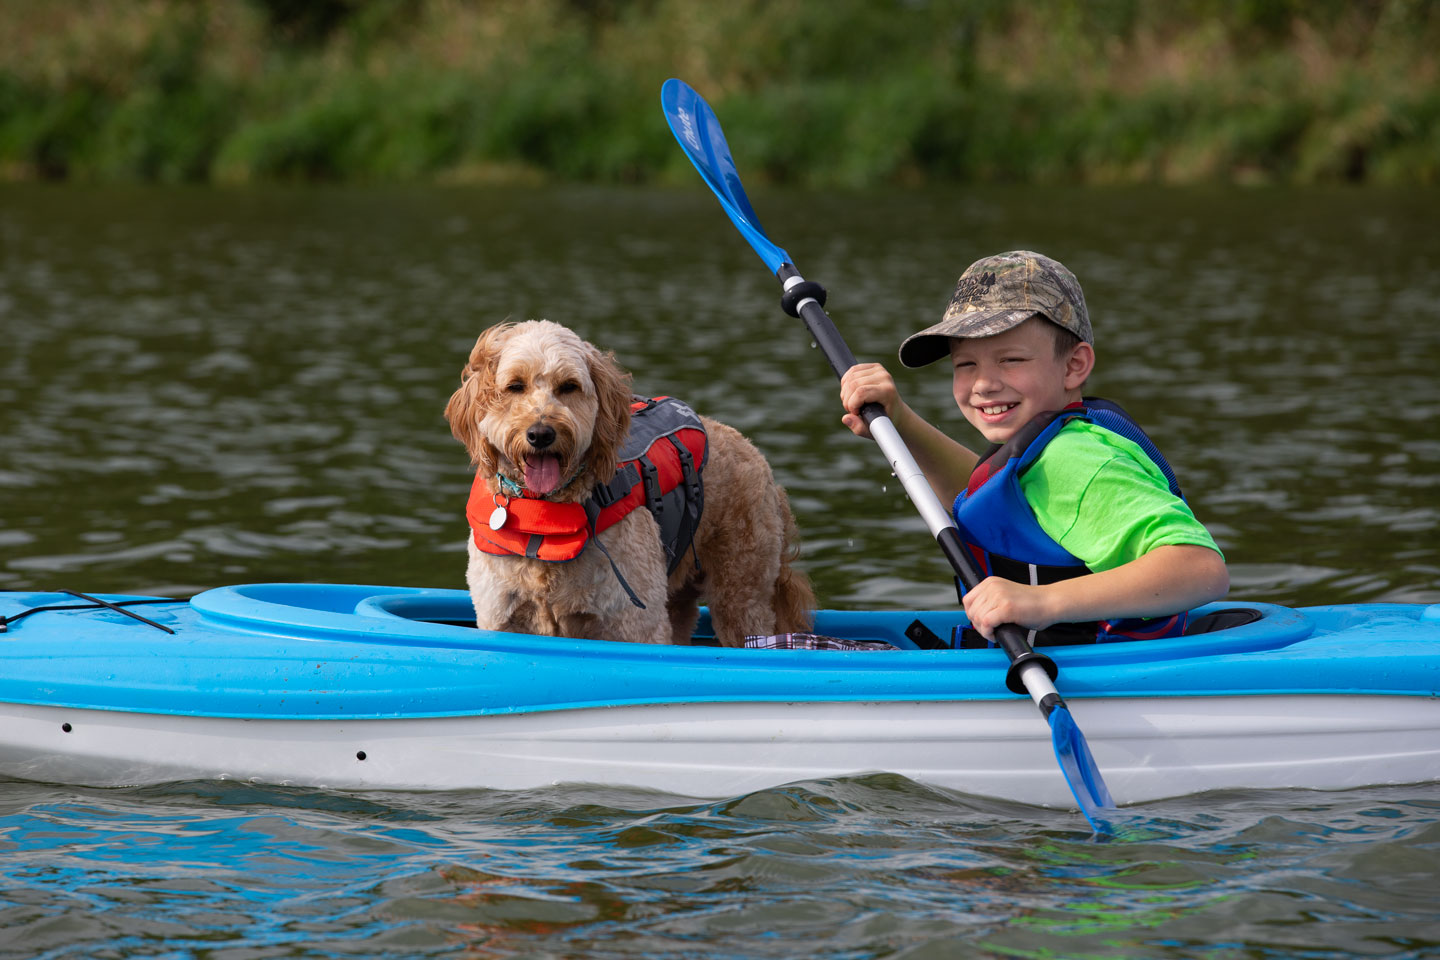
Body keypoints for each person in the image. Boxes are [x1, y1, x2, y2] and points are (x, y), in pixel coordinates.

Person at [839, 250, 1229, 647]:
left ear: (1074, 366)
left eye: (1010, 359)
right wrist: (901, 422)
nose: (984, 384)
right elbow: (988, 498)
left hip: (1112, 681)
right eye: (965, 364)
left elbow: (1200, 568)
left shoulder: (1078, 459)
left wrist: (1041, 601)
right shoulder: (1052, 449)